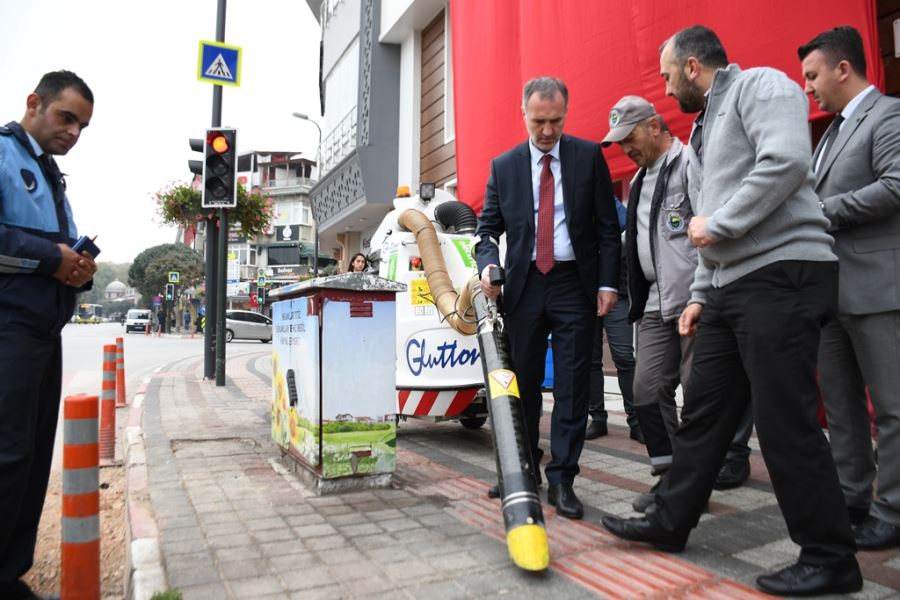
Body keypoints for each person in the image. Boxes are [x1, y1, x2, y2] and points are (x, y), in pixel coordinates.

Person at [601, 26, 861, 596]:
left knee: (784, 418)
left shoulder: (762, 87)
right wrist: (699, 293)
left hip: (783, 274)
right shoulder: (702, 129)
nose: (668, 91)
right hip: (727, 287)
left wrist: (716, 227)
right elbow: (705, 225)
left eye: (669, 77)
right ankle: (671, 519)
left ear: (692, 66)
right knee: (705, 413)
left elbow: (786, 162)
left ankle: (829, 556)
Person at [475, 76, 621, 519]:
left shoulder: (587, 156)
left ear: (565, 115)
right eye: (538, 121)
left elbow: (606, 230)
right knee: (520, 385)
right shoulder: (504, 166)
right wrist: (486, 264)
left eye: (555, 121)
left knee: (574, 387)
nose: (546, 131)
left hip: (574, 284)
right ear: (524, 114)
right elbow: (487, 230)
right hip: (523, 287)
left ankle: (563, 479)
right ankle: (521, 470)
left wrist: (608, 284)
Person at [799, 25, 900, 547]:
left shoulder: (889, 115)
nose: (809, 88)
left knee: (891, 406)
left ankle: (893, 510)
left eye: (813, 76)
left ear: (843, 69)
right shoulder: (831, 131)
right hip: (832, 294)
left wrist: (821, 212)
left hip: (879, 289)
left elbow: (895, 186)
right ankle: (851, 494)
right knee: (839, 406)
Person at [0, 70, 96, 600]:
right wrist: (50, 258)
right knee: (7, 452)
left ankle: (10, 572)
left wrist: (79, 267)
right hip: (9, 328)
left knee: (32, 457)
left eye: (82, 125)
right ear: (34, 103)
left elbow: (56, 252)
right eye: (67, 118)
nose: (74, 132)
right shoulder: (4, 155)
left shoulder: (51, 173)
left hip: (43, 332)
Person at [585, 197, 640, 443]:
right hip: (583, 293)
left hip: (617, 290)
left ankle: (637, 420)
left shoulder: (609, 201)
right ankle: (597, 419)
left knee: (625, 357)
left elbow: (625, 222)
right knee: (590, 359)